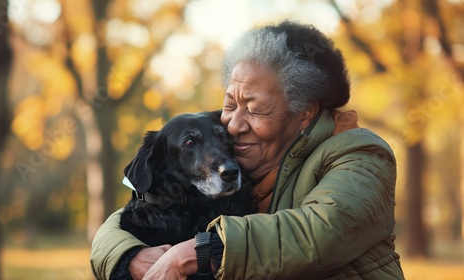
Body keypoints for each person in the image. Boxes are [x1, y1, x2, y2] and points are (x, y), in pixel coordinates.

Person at [90, 20, 405, 279]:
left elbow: (319, 234)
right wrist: (131, 255)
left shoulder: (360, 155)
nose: (233, 125)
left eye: (254, 109)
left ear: (305, 112)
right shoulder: (241, 158)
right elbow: (139, 211)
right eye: (229, 105)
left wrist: (195, 252)